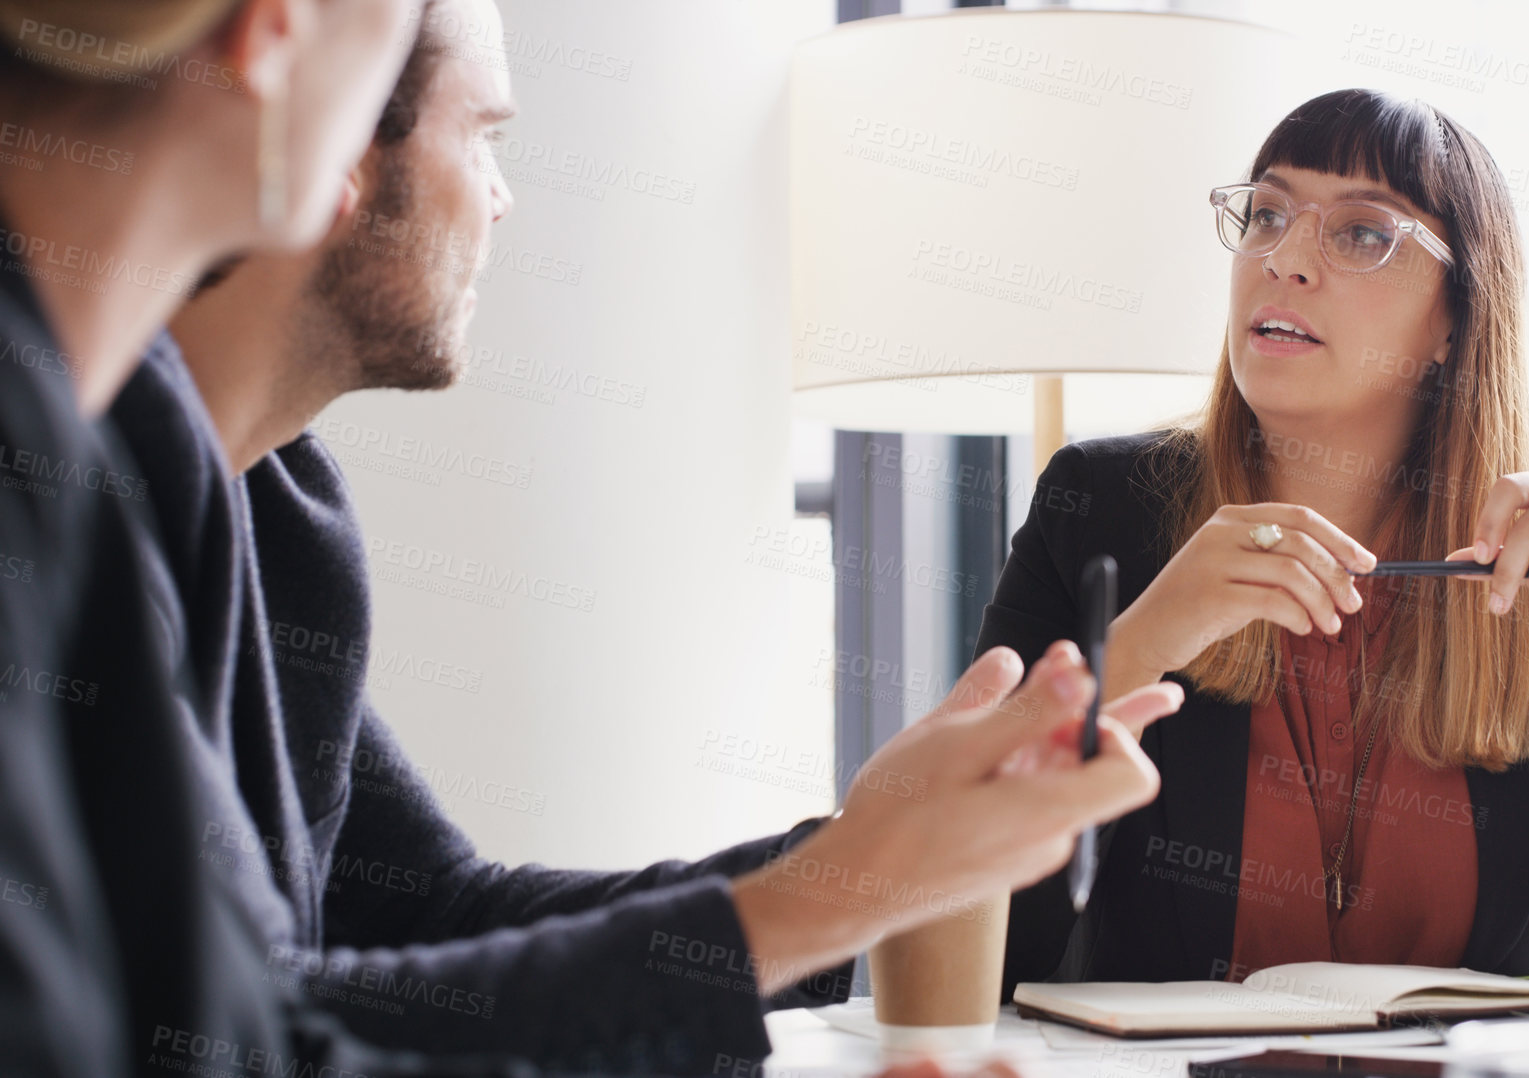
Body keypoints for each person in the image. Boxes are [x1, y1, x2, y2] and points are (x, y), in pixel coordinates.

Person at [102, 0, 1184, 1072]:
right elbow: (231, 1036)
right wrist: (841, 887)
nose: (502, 198)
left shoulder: (282, 505)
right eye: (481, 135)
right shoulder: (74, 499)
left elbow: (428, 911)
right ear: (331, 141)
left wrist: (859, 847)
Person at [980, 89, 1529, 995]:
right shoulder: (1101, 508)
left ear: (1453, 317)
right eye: (1266, 214)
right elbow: (969, 925)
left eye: (1360, 234)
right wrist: (1142, 645)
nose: (1283, 259)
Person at [0, 0, 536, 1074]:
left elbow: (245, 1024)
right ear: (271, 39)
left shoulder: (105, 458)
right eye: (478, 134)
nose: (500, 199)